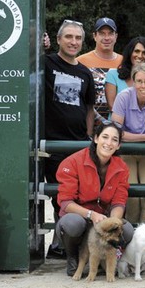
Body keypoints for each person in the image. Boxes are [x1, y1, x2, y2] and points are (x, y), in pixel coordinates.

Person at [43, 19, 96, 260]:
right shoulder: (47, 63)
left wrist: (87, 137)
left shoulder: (85, 72)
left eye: (77, 38)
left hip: (78, 145)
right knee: (59, 197)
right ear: (58, 39)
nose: (73, 42)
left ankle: (67, 244)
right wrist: (39, 47)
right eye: (69, 37)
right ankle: (60, 245)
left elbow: (88, 107)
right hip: (52, 142)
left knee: (77, 196)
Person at [56, 122, 134, 276]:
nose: (109, 143)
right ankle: (72, 258)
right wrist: (91, 215)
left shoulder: (121, 167)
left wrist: (113, 222)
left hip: (104, 220)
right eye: (105, 137)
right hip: (80, 217)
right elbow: (66, 203)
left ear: (118, 145)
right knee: (72, 224)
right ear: (96, 138)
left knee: (128, 230)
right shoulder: (73, 162)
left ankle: (103, 259)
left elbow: (119, 201)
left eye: (114, 140)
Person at [110, 63, 145, 224]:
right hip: (127, 152)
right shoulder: (123, 96)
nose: (143, 85)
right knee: (131, 199)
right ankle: (131, 241)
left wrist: (138, 137)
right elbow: (115, 132)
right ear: (133, 82)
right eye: (139, 81)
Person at [77, 17, 123, 123]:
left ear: (116, 37)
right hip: (86, 125)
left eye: (110, 33)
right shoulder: (80, 61)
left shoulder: (124, 63)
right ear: (94, 36)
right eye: (102, 33)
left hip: (117, 127)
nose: (106, 38)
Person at [104, 36, 145, 113]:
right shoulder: (113, 75)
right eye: (137, 51)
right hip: (118, 123)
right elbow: (112, 106)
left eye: (144, 53)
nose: (140, 56)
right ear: (130, 52)